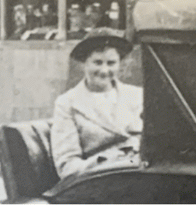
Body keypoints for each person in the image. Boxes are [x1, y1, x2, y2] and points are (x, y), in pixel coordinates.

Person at [50, 29, 143, 180]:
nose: (104, 71)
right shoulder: (68, 103)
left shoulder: (137, 96)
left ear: (120, 64)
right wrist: (111, 161)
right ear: (84, 64)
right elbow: (67, 167)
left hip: (137, 174)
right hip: (97, 180)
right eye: (97, 62)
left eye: (111, 63)